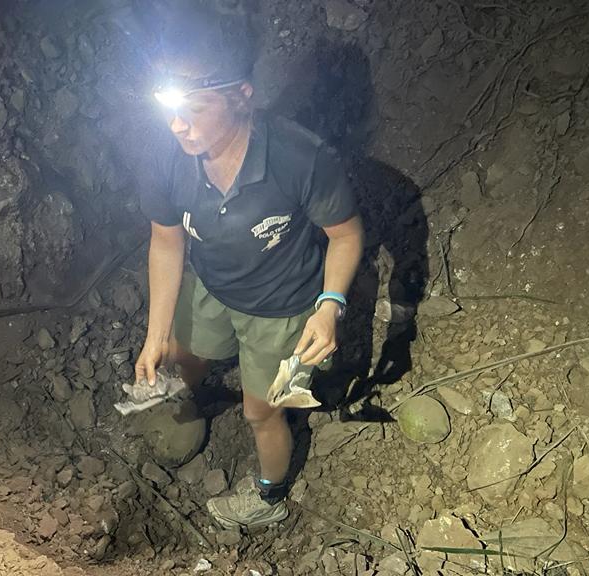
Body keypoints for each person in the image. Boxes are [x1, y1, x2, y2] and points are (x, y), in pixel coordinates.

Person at [133, 6, 364, 530]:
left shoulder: (300, 159)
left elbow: (346, 235)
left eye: (195, 106)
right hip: (213, 286)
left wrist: (329, 307)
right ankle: (188, 407)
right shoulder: (167, 155)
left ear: (242, 95)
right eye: (169, 106)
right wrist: (156, 332)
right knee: (181, 357)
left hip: (283, 308)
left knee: (262, 413)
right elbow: (166, 243)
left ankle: (269, 497)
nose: (178, 124)